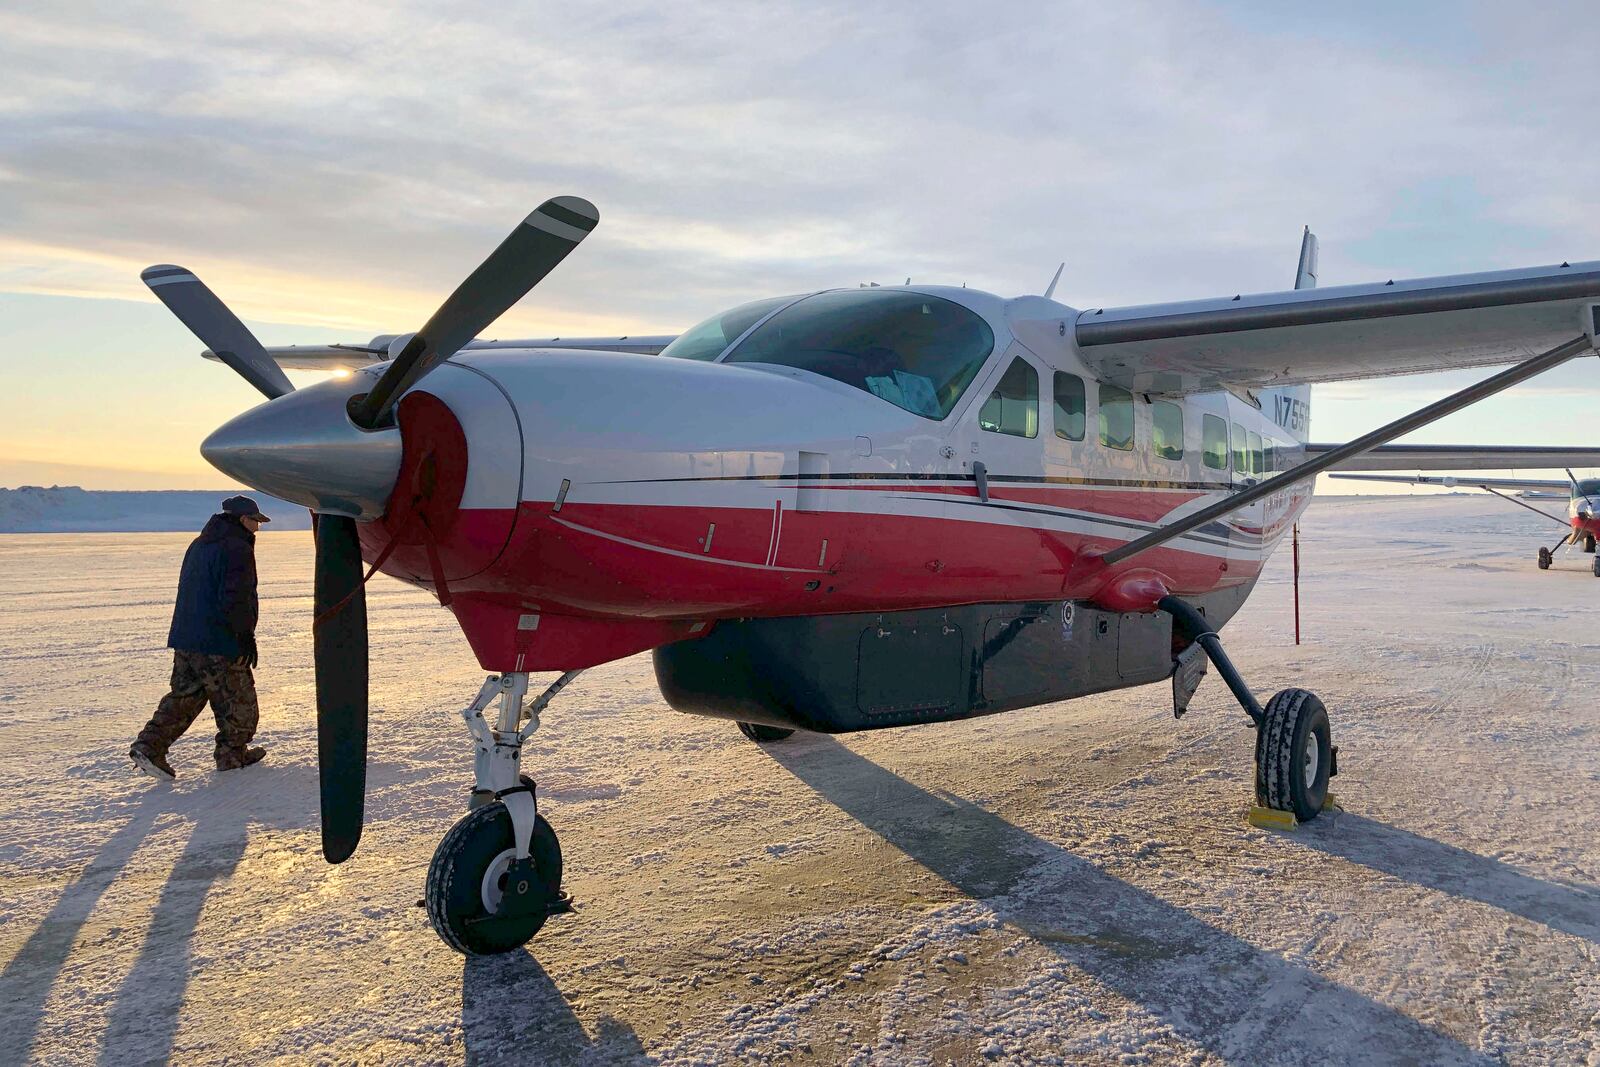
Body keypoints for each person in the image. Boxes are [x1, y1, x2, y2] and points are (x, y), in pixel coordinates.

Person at [129, 495, 270, 779]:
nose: (258, 528)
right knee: (239, 700)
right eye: (256, 521)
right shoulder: (237, 548)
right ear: (243, 519)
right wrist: (244, 637)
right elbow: (237, 596)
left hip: (187, 638)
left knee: (187, 695)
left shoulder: (200, 543)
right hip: (219, 641)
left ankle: (149, 745)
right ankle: (233, 754)